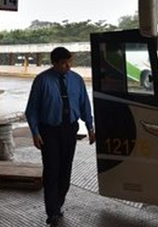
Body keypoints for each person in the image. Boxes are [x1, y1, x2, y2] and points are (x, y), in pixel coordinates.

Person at [25, 47, 95, 226]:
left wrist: (90, 127)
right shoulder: (42, 81)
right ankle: (53, 211)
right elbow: (32, 109)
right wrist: (35, 132)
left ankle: (58, 204)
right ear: (54, 63)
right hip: (49, 131)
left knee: (65, 170)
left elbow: (84, 105)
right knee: (51, 170)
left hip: (69, 129)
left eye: (70, 61)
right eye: (64, 63)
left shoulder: (76, 80)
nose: (68, 66)